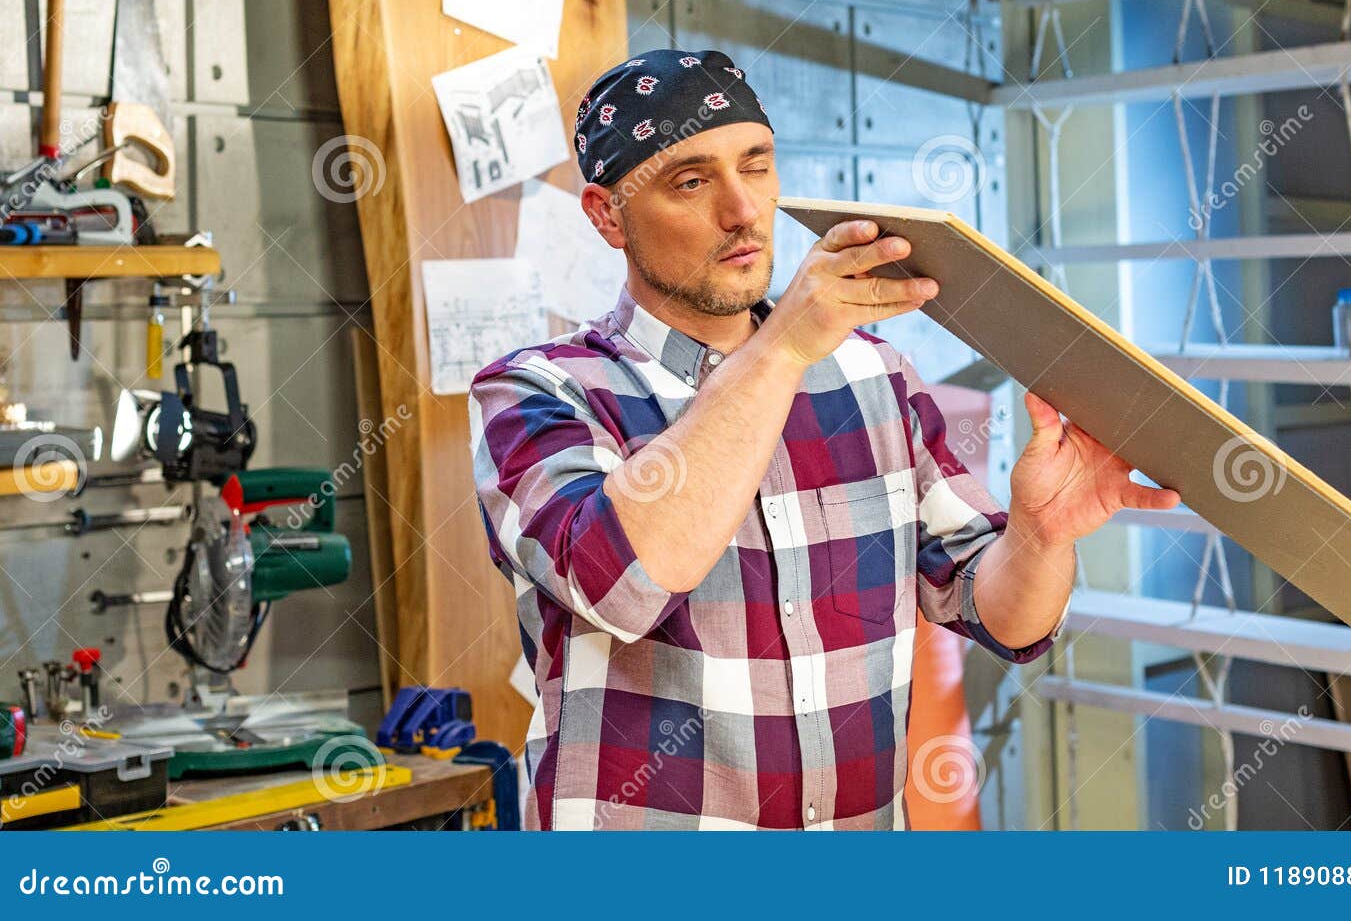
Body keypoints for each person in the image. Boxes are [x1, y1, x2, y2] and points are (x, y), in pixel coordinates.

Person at [469, 49, 1180, 830]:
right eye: (692, 181)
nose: (744, 210)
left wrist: (1042, 536)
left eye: (757, 164)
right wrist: (776, 353)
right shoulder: (539, 392)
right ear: (607, 215)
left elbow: (1000, 615)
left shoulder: (873, 377)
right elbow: (621, 585)